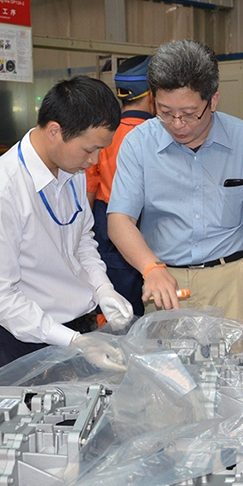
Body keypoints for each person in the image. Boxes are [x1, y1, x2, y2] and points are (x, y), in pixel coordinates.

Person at [107, 40, 243, 324]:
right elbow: (119, 221)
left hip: (232, 284)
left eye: (189, 114)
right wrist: (150, 267)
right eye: (165, 112)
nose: (177, 124)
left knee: (238, 353)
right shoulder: (138, 143)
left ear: (213, 100)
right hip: (166, 283)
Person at [0, 76, 134, 372]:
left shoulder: (73, 171)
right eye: (89, 149)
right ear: (55, 131)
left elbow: (82, 242)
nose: (94, 161)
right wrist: (73, 341)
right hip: (27, 346)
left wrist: (102, 288)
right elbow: (1, 297)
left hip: (81, 332)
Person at [86, 55, 155, 317]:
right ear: (153, 95)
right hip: (154, 231)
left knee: (117, 315)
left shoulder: (103, 134)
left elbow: (89, 189)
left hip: (108, 231)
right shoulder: (160, 134)